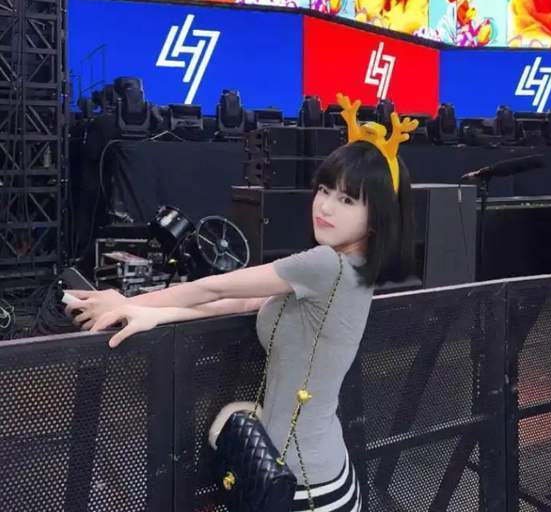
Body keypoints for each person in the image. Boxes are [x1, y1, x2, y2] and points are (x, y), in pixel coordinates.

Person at [64, 93, 417, 512]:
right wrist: (150, 313)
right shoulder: (350, 269)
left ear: (377, 216)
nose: (324, 206)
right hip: (316, 470)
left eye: (347, 199)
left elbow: (215, 288)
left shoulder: (327, 266)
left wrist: (127, 299)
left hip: (304, 488)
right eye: (324, 190)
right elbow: (239, 302)